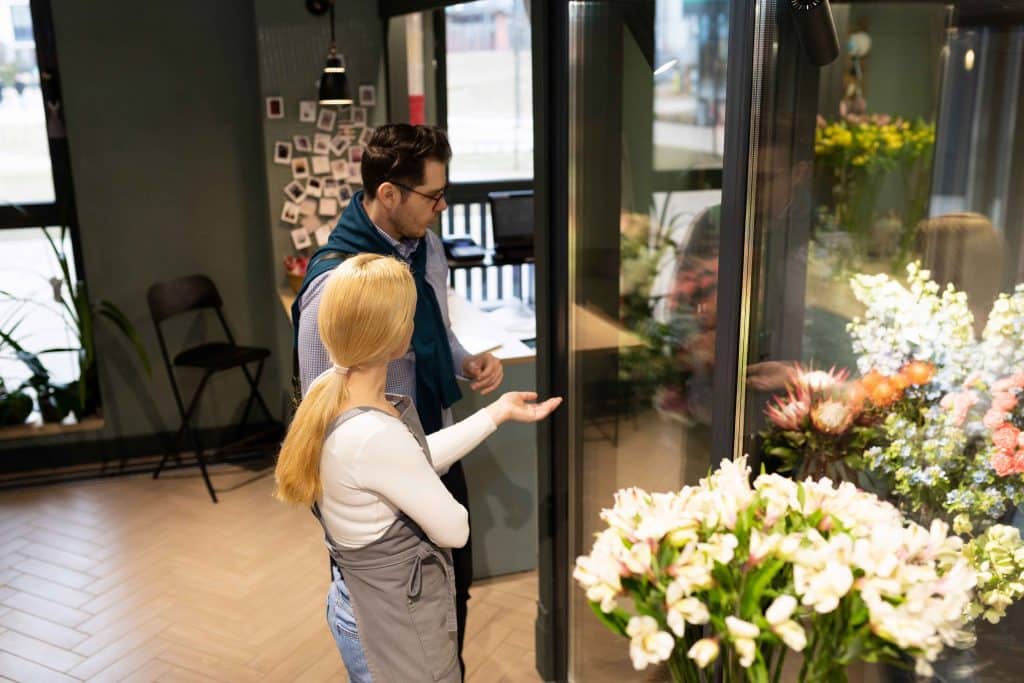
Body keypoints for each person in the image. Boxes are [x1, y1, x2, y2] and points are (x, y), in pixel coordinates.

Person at [276, 254, 560, 681]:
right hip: (391, 626)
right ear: (394, 338)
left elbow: (410, 456)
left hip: (358, 604)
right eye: (409, 315)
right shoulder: (373, 434)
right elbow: (455, 528)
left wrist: (496, 414)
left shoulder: (329, 389)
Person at [290, 124, 504, 678]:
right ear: (389, 194)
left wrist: (464, 360)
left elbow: (441, 329)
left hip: (429, 447)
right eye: (433, 196)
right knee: (400, 624)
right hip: (381, 476)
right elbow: (324, 424)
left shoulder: (425, 246)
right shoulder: (336, 287)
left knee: (451, 591)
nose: (443, 207)